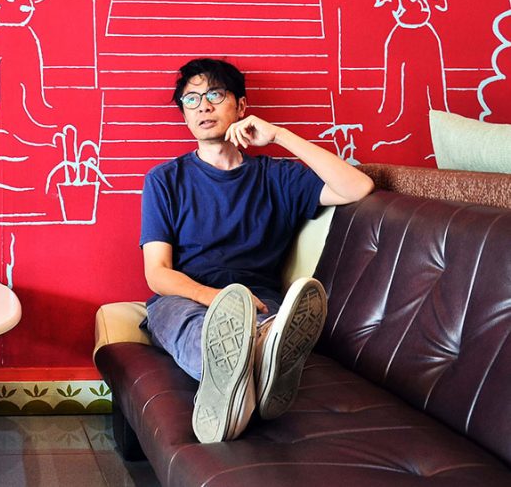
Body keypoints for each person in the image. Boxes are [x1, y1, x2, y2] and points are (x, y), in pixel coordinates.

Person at [140, 58, 373, 443]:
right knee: (195, 327)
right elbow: (157, 273)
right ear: (184, 113)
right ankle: (252, 365)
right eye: (191, 99)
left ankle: (251, 365)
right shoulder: (165, 180)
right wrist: (215, 298)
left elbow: (358, 187)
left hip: (259, 301)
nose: (203, 107)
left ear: (242, 107)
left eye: (215, 95)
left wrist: (280, 135)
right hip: (185, 297)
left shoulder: (278, 176)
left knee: (267, 327)